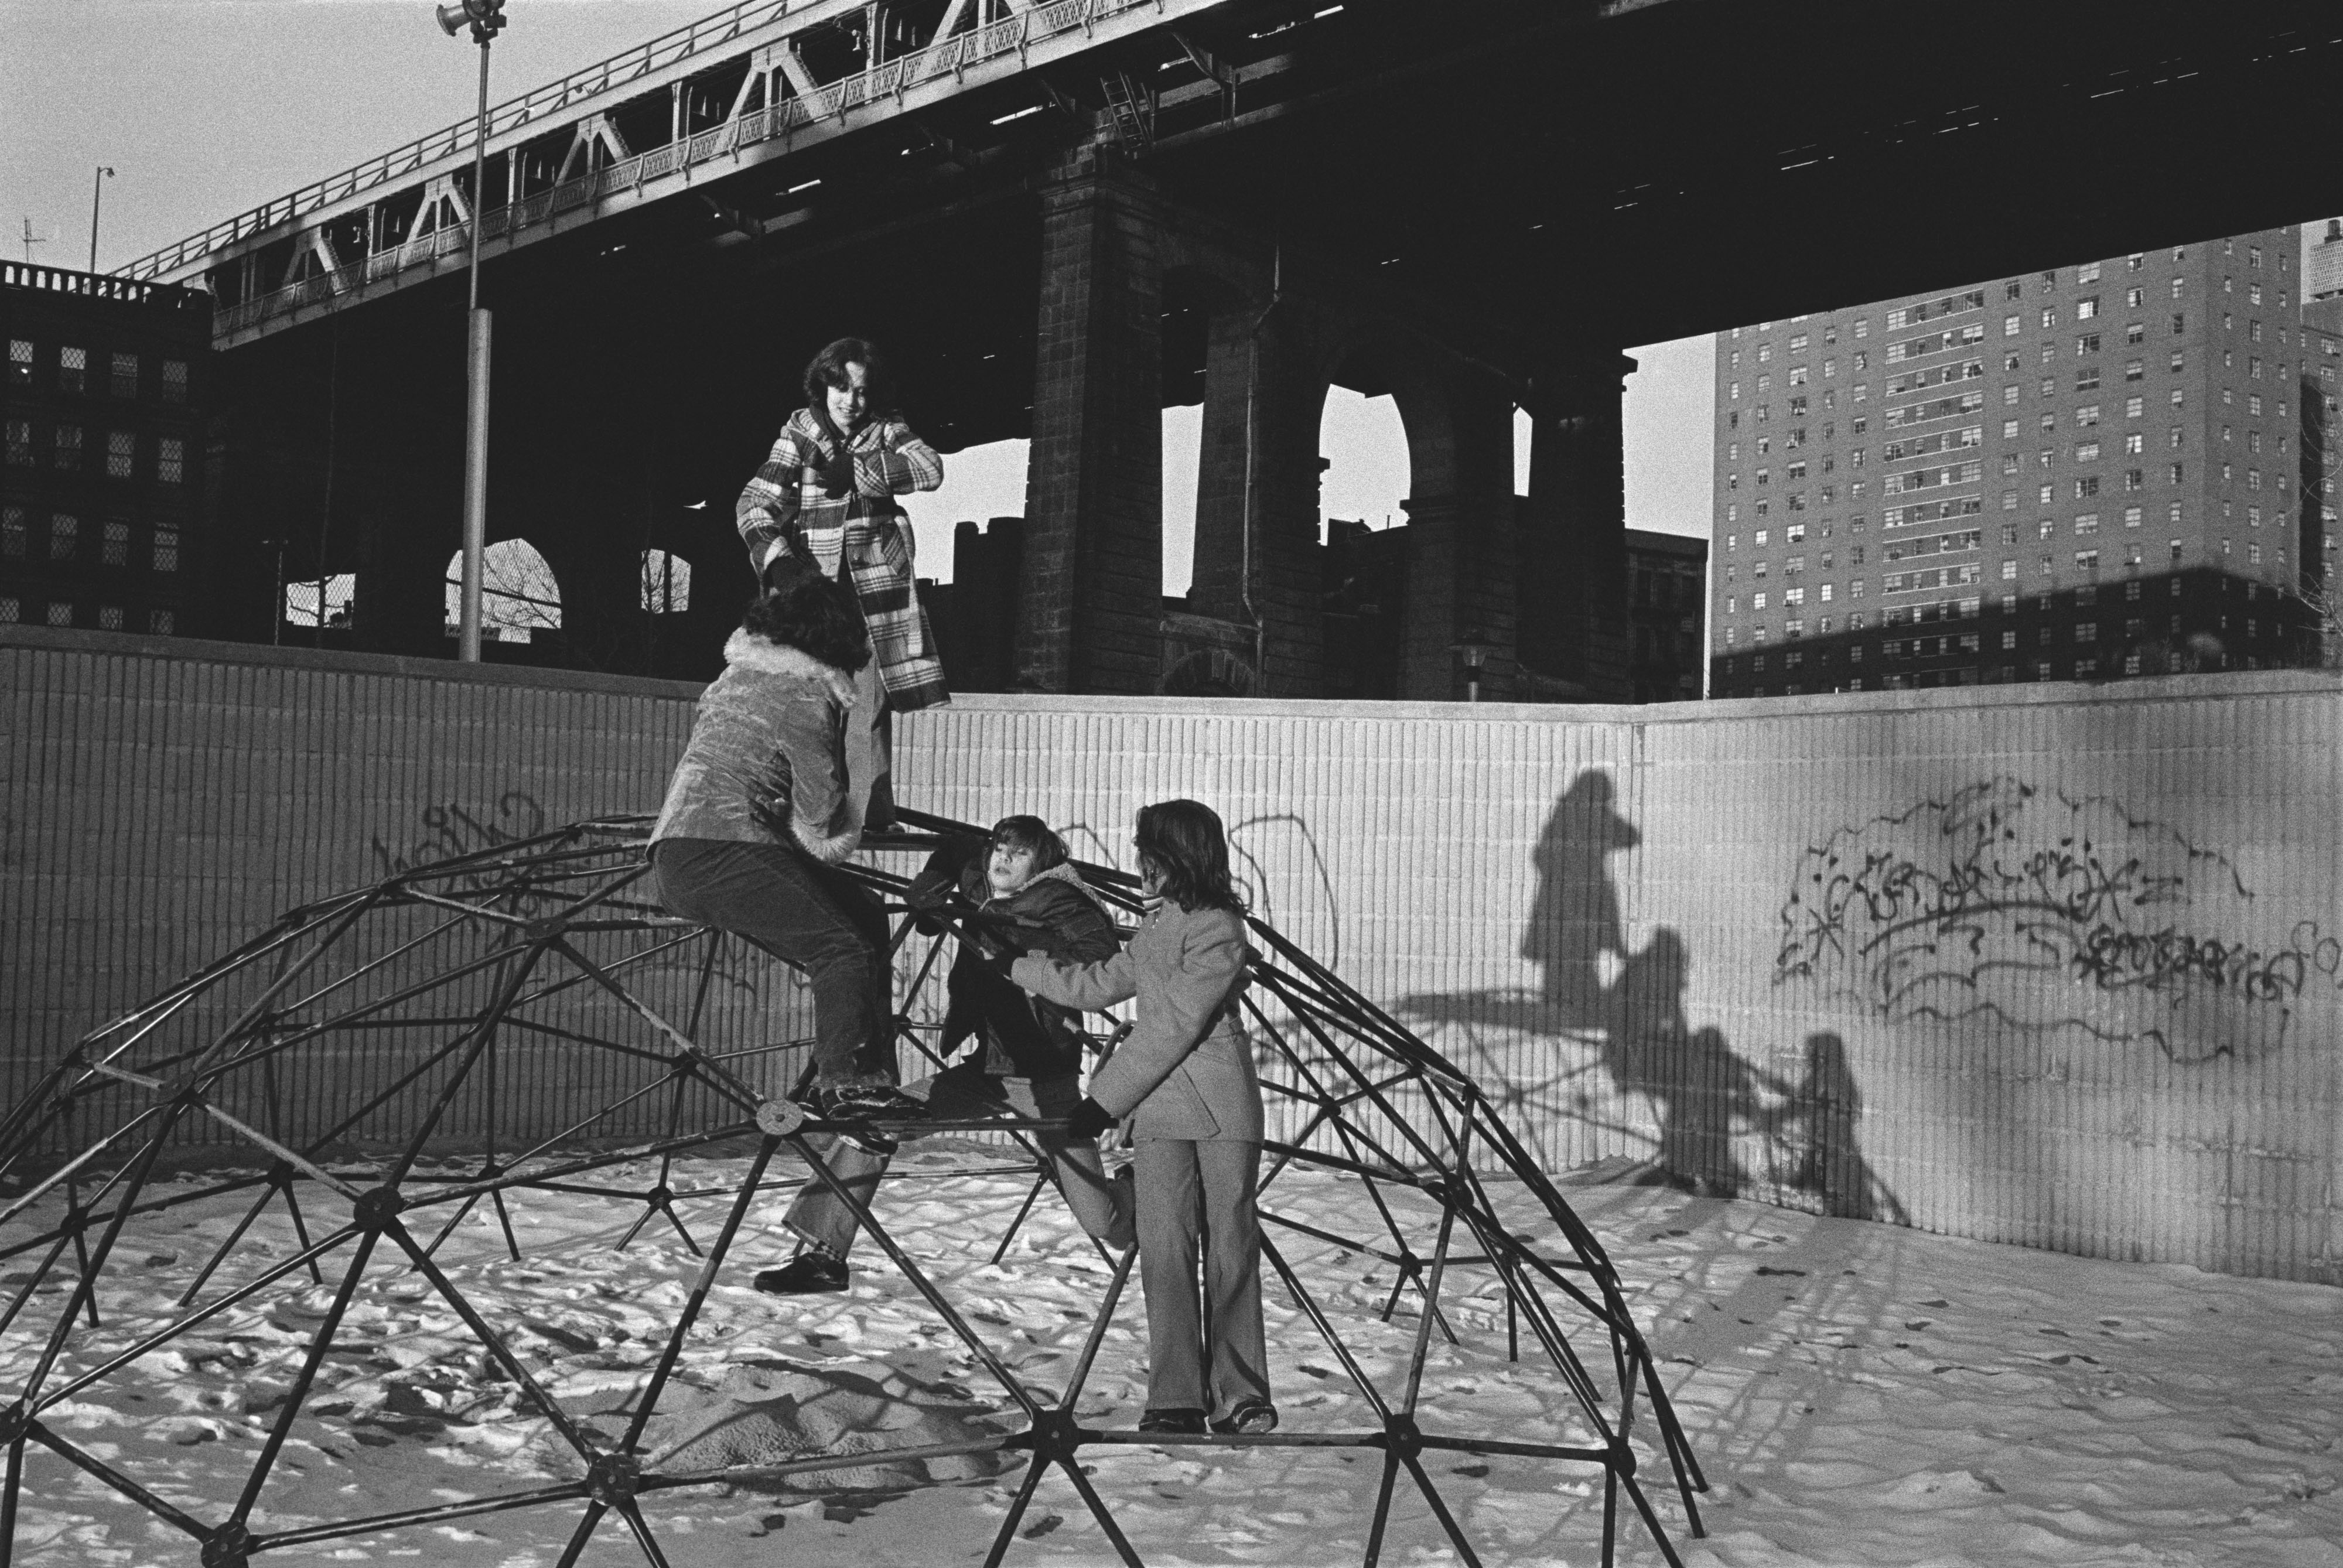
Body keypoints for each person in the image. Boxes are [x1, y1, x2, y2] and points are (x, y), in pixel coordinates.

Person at [752, 816, 1138, 1294]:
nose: (1003, 859)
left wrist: (1029, 959)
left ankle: (1137, 1189)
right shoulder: (983, 884)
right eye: (1000, 848)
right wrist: (930, 887)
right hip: (986, 1074)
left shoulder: (1061, 901)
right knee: (875, 1122)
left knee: (1103, 1221)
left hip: (1047, 1082)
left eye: (1019, 853)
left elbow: (1103, 959)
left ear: (1041, 864)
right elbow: (958, 848)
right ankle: (823, 1256)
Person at [1009, 800, 1275, 1437]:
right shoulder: (1157, 926)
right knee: (1163, 1248)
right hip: (1158, 1108)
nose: (1139, 863)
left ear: (1175, 855)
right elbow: (1098, 983)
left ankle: (1240, 1394)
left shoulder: (1218, 928)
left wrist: (1102, 1101)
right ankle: (1175, 1396)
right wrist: (1014, 965)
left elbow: (1174, 1024)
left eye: (1146, 852)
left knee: (1230, 1245)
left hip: (1217, 1106)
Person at [645, 566, 923, 1135]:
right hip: (725, 849)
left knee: (866, 913)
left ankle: (865, 1073)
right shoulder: (804, 693)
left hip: (683, 846)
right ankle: (845, 1082)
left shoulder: (737, 675)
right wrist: (850, 808)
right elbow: (821, 812)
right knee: (840, 947)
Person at [736, 337, 947, 831]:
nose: (852, 401)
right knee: (808, 700)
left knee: (870, 704)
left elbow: (931, 469)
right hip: (815, 589)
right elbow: (753, 503)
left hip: (877, 588)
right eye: (841, 388)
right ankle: (807, 812)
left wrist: (861, 471)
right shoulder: (799, 432)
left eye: (862, 390)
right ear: (822, 386)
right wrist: (781, 565)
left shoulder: (887, 428)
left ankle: (870, 816)